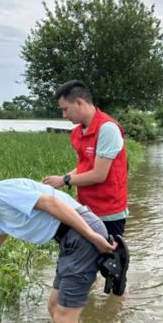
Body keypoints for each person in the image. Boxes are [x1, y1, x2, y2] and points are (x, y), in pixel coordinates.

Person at [0, 171, 116, 323]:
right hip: (72, 238)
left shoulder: (0, 193)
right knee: (55, 306)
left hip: (82, 233)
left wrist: (93, 237)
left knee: (64, 316)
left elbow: (50, 202)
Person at [43, 80, 128, 237]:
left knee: (109, 259)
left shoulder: (107, 128)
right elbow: (84, 166)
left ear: (79, 102)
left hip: (108, 212)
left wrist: (64, 180)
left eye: (65, 109)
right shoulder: (77, 133)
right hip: (85, 209)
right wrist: (60, 180)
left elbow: (98, 175)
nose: (64, 115)